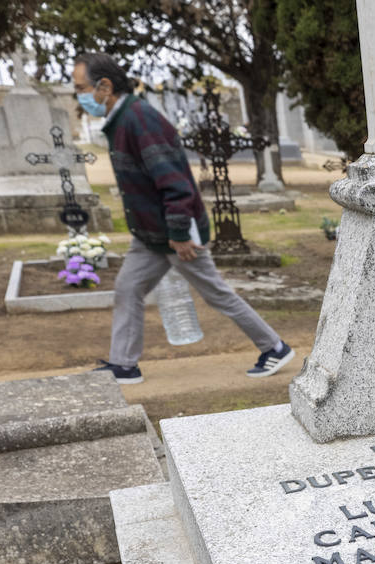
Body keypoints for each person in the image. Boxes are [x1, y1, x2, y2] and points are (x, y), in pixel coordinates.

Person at [72, 53, 294, 385]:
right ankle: (124, 366)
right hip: (150, 235)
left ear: (105, 86)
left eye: (81, 88)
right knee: (127, 287)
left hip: (177, 234)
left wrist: (177, 232)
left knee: (216, 293)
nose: (80, 96)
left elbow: (174, 182)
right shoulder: (122, 120)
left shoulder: (139, 119)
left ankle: (274, 347)